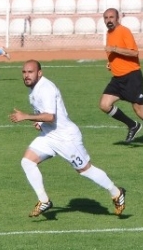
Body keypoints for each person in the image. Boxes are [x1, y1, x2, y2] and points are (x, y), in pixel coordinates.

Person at [9, 59, 126, 217]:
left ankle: (117, 193)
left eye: (30, 72)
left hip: (66, 138)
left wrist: (26, 116)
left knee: (85, 170)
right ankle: (44, 201)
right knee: (27, 161)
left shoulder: (46, 88)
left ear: (39, 73)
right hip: (49, 136)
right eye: (24, 72)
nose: (26, 76)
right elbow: (45, 115)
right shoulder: (34, 88)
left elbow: (50, 116)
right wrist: (38, 121)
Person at [99, 8, 143, 143]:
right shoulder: (109, 33)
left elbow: (134, 53)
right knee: (104, 105)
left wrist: (114, 49)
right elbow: (116, 54)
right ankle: (132, 125)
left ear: (117, 18)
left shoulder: (124, 31)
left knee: (140, 110)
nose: (109, 20)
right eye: (106, 18)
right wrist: (111, 63)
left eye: (111, 17)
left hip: (132, 76)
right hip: (117, 78)